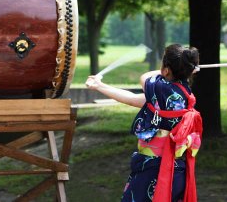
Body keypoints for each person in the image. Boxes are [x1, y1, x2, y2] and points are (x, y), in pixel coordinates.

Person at [86, 44, 203, 202]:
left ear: (166, 69)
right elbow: (133, 99)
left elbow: (144, 77)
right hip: (175, 170)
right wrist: (100, 86)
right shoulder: (181, 93)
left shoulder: (162, 90)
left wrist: (166, 69)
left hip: (154, 169)